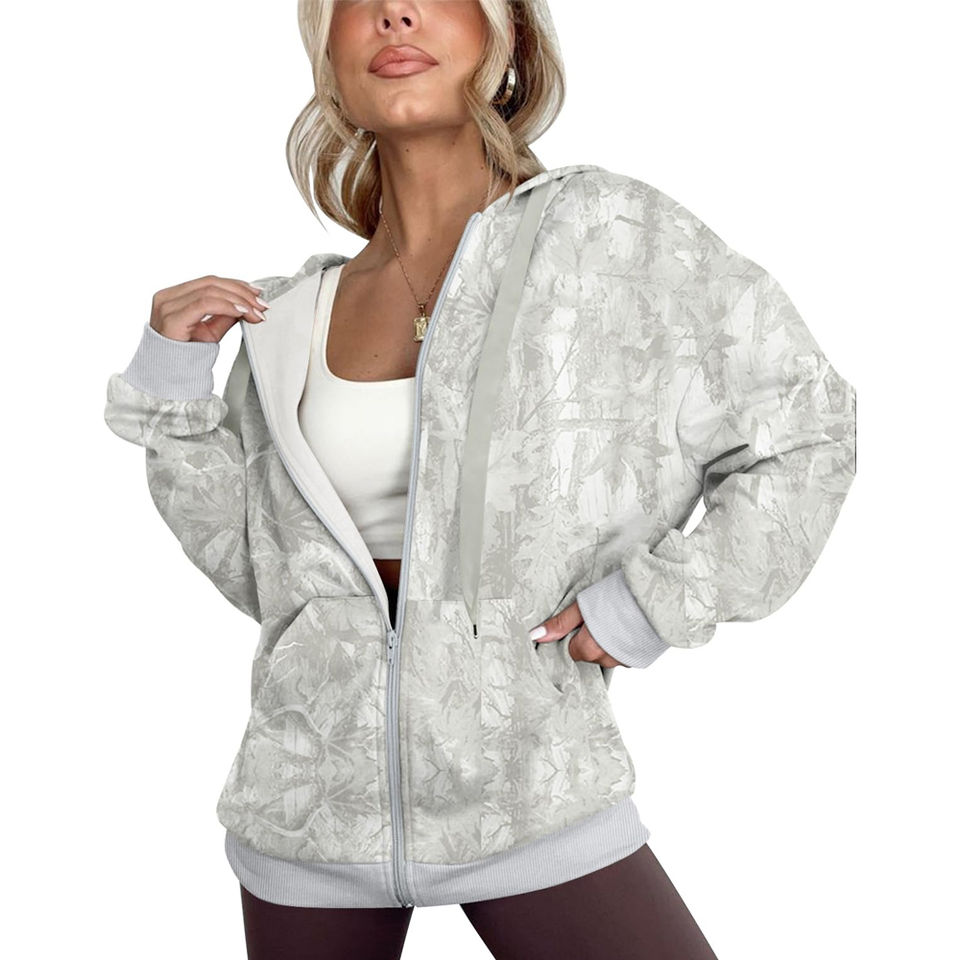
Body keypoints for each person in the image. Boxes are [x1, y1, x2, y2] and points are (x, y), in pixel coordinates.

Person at [103, 1, 857, 957]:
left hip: (531, 795)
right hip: (305, 814)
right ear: (329, 59)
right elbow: (263, 571)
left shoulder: (615, 239)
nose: (395, 12)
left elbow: (806, 429)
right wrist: (174, 387)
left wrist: (652, 603)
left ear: (507, 41)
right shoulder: (288, 317)